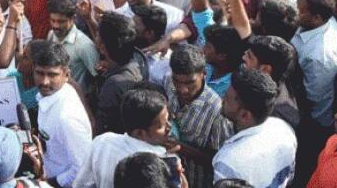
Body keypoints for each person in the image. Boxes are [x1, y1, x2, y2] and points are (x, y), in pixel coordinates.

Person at [74, 88, 174, 188]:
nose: (169, 127)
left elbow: (81, 184)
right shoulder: (158, 161)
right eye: (161, 126)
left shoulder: (103, 141)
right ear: (139, 133)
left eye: (167, 120)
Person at [213, 69, 297, 187]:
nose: (221, 99)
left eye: (226, 98)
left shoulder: (229, 162)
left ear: (245, 115)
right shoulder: (285, 130)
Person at [163, 44, 232, 188]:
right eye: (177, 81)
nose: (183, 89)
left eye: (190, 82)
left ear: (204, 74)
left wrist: (182, 147)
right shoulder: (169, 83)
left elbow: (219, 161)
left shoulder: (217, 111)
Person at [34, 41, 92, 188]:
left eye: (52, 75)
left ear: (67, 75)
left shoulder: (67, 118)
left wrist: (49, 184)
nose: (45, 82)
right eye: (40, 73)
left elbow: (83, 170)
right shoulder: (51, 95)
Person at [95, 12, 143, 134]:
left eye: (97, 34)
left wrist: (77, 91)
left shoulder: (114, 85)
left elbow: (99, 131)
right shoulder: (139, 59)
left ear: (103, 47)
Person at [47, 0, 99, 95]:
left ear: (73, 18)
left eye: (61, 22)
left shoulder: (85, 45)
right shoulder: (51, 35)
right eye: (53, 20)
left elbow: (97, 78)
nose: (55, 26)